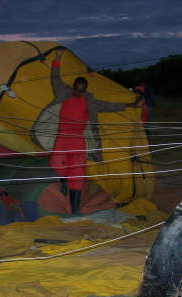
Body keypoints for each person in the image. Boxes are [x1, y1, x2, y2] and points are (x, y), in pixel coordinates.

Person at [47, 49, 140, 214]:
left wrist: (128, 105)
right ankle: (63, 182)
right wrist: (57, 61)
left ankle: (75, 209)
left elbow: (107, 106)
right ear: (73, 87)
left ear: (85, 90)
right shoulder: (64, 93)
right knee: (57, 163)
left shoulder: (89, 102)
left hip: (77, 140)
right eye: (77, 88)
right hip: (62, 139)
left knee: (77, 175)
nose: (78, 92)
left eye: (81, 90)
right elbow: (55, 80)